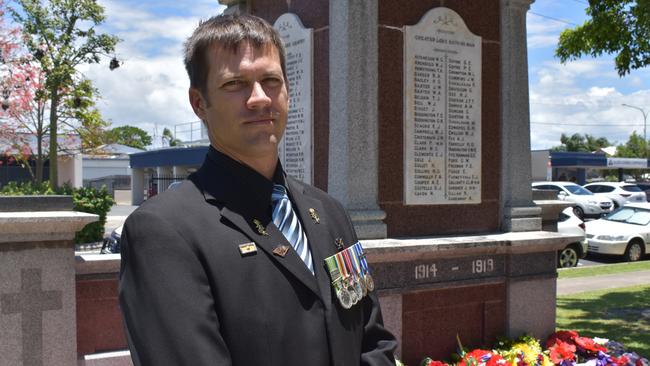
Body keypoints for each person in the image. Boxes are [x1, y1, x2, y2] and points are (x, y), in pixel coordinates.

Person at [118, 13, 398, 366]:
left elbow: (373, 340)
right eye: (235, 84)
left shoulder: (330, 213)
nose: (259, 98)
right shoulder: (163, 231)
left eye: (271, 80)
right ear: (199, 102)